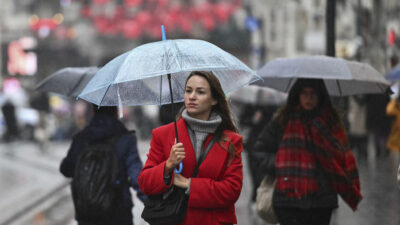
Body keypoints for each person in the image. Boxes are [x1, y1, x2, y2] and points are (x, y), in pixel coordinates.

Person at [138, 71, 243, 225]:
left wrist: (189, 185)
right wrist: (168, 166)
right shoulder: (163, 134)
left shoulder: (231, 141)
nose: (192, 96)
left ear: (214, 99)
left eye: (200, 92)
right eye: (188, 91)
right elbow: (145, 183)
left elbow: (231, 190)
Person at [253, 79, 362, 225]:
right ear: (297, 95)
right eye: (304, 93)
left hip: (321, 200)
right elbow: (260, 148)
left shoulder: (331, 122)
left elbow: (342, 156)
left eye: (313, 94)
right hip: (287, 199)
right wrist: (279, 165)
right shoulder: (283, 119)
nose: (308, 98)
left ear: (320, 96)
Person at [60, 105, 145, 225]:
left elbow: (66, 169)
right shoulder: (126, 139)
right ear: (116, 111)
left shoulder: (80, 138)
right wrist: (152, 203)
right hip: (118, 212)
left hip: (87, 212)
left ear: (94, 111)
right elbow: (137, 176)